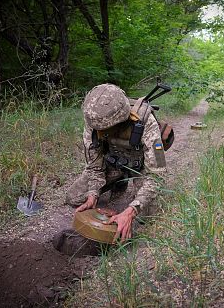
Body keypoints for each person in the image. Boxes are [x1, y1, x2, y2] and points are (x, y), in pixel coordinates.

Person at [64, 83, 167, 242]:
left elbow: (157, 175)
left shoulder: (146, 122)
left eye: (105, 129)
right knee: (74, 197)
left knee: (148, 217)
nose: (99, 132)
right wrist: (93, 193)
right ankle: (118, 182)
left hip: (140, 169)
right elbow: (94, 166)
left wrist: (131, 210)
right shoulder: (93, 121)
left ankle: (125, 184)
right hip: (113, 165)